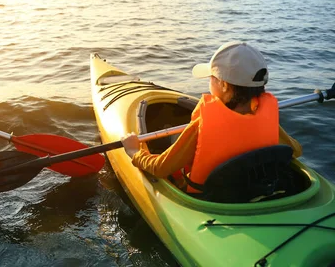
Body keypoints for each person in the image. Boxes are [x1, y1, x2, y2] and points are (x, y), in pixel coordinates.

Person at [121, 41, 302, 192]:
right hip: (252, 191)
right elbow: (296, 150)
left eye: (211, 77)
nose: (209, 81)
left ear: (223, 85)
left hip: (210, 199)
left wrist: (135, 152)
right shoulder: (265, 119)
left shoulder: (202, 127)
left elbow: (160, 168)